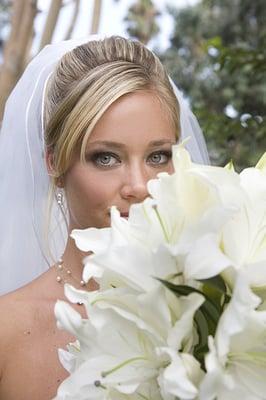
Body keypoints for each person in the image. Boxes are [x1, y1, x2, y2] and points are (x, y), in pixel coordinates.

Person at [0, 35, 209, 399]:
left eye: (158, 156)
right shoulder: (7, 331)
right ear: (55, 163)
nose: (139, 186)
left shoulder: (214, 306)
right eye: (106, 158)